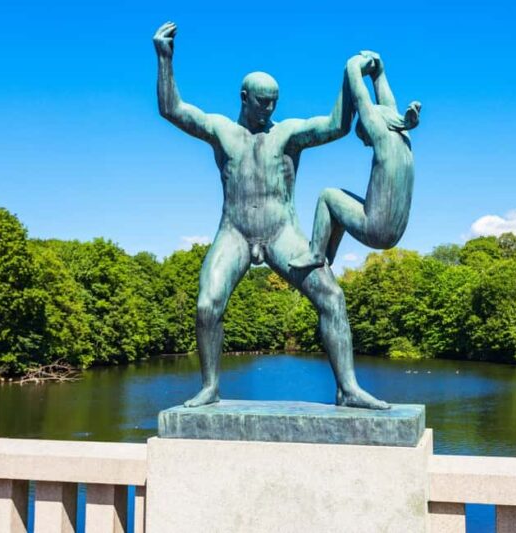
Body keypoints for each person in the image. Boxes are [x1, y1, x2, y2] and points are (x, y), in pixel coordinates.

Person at [153, 22, 388, 409]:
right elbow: (173, 110)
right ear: (244, 98)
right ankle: (210, 387)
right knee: (206, 305)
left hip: (282, 233)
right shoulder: (221, 130)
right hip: (235, 232)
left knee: (332, 297)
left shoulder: (288, 134)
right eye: (263, 102)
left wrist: (352, 74)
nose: (270, 109)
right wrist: (164, 57)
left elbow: (336, 125)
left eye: (274, 101)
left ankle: (348, 388)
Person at [289, 51, 421, 269]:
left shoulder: (382, 138)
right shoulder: (403, 137)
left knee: (327, 196)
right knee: (341, 204)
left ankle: (315, 254)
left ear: (373, 127)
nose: (366, 143)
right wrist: (379, 73)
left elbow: (362, 100)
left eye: (364, 136)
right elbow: (388, 107)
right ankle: (327, 256)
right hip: (395, 232)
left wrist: (353, 67)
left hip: (376, 230)